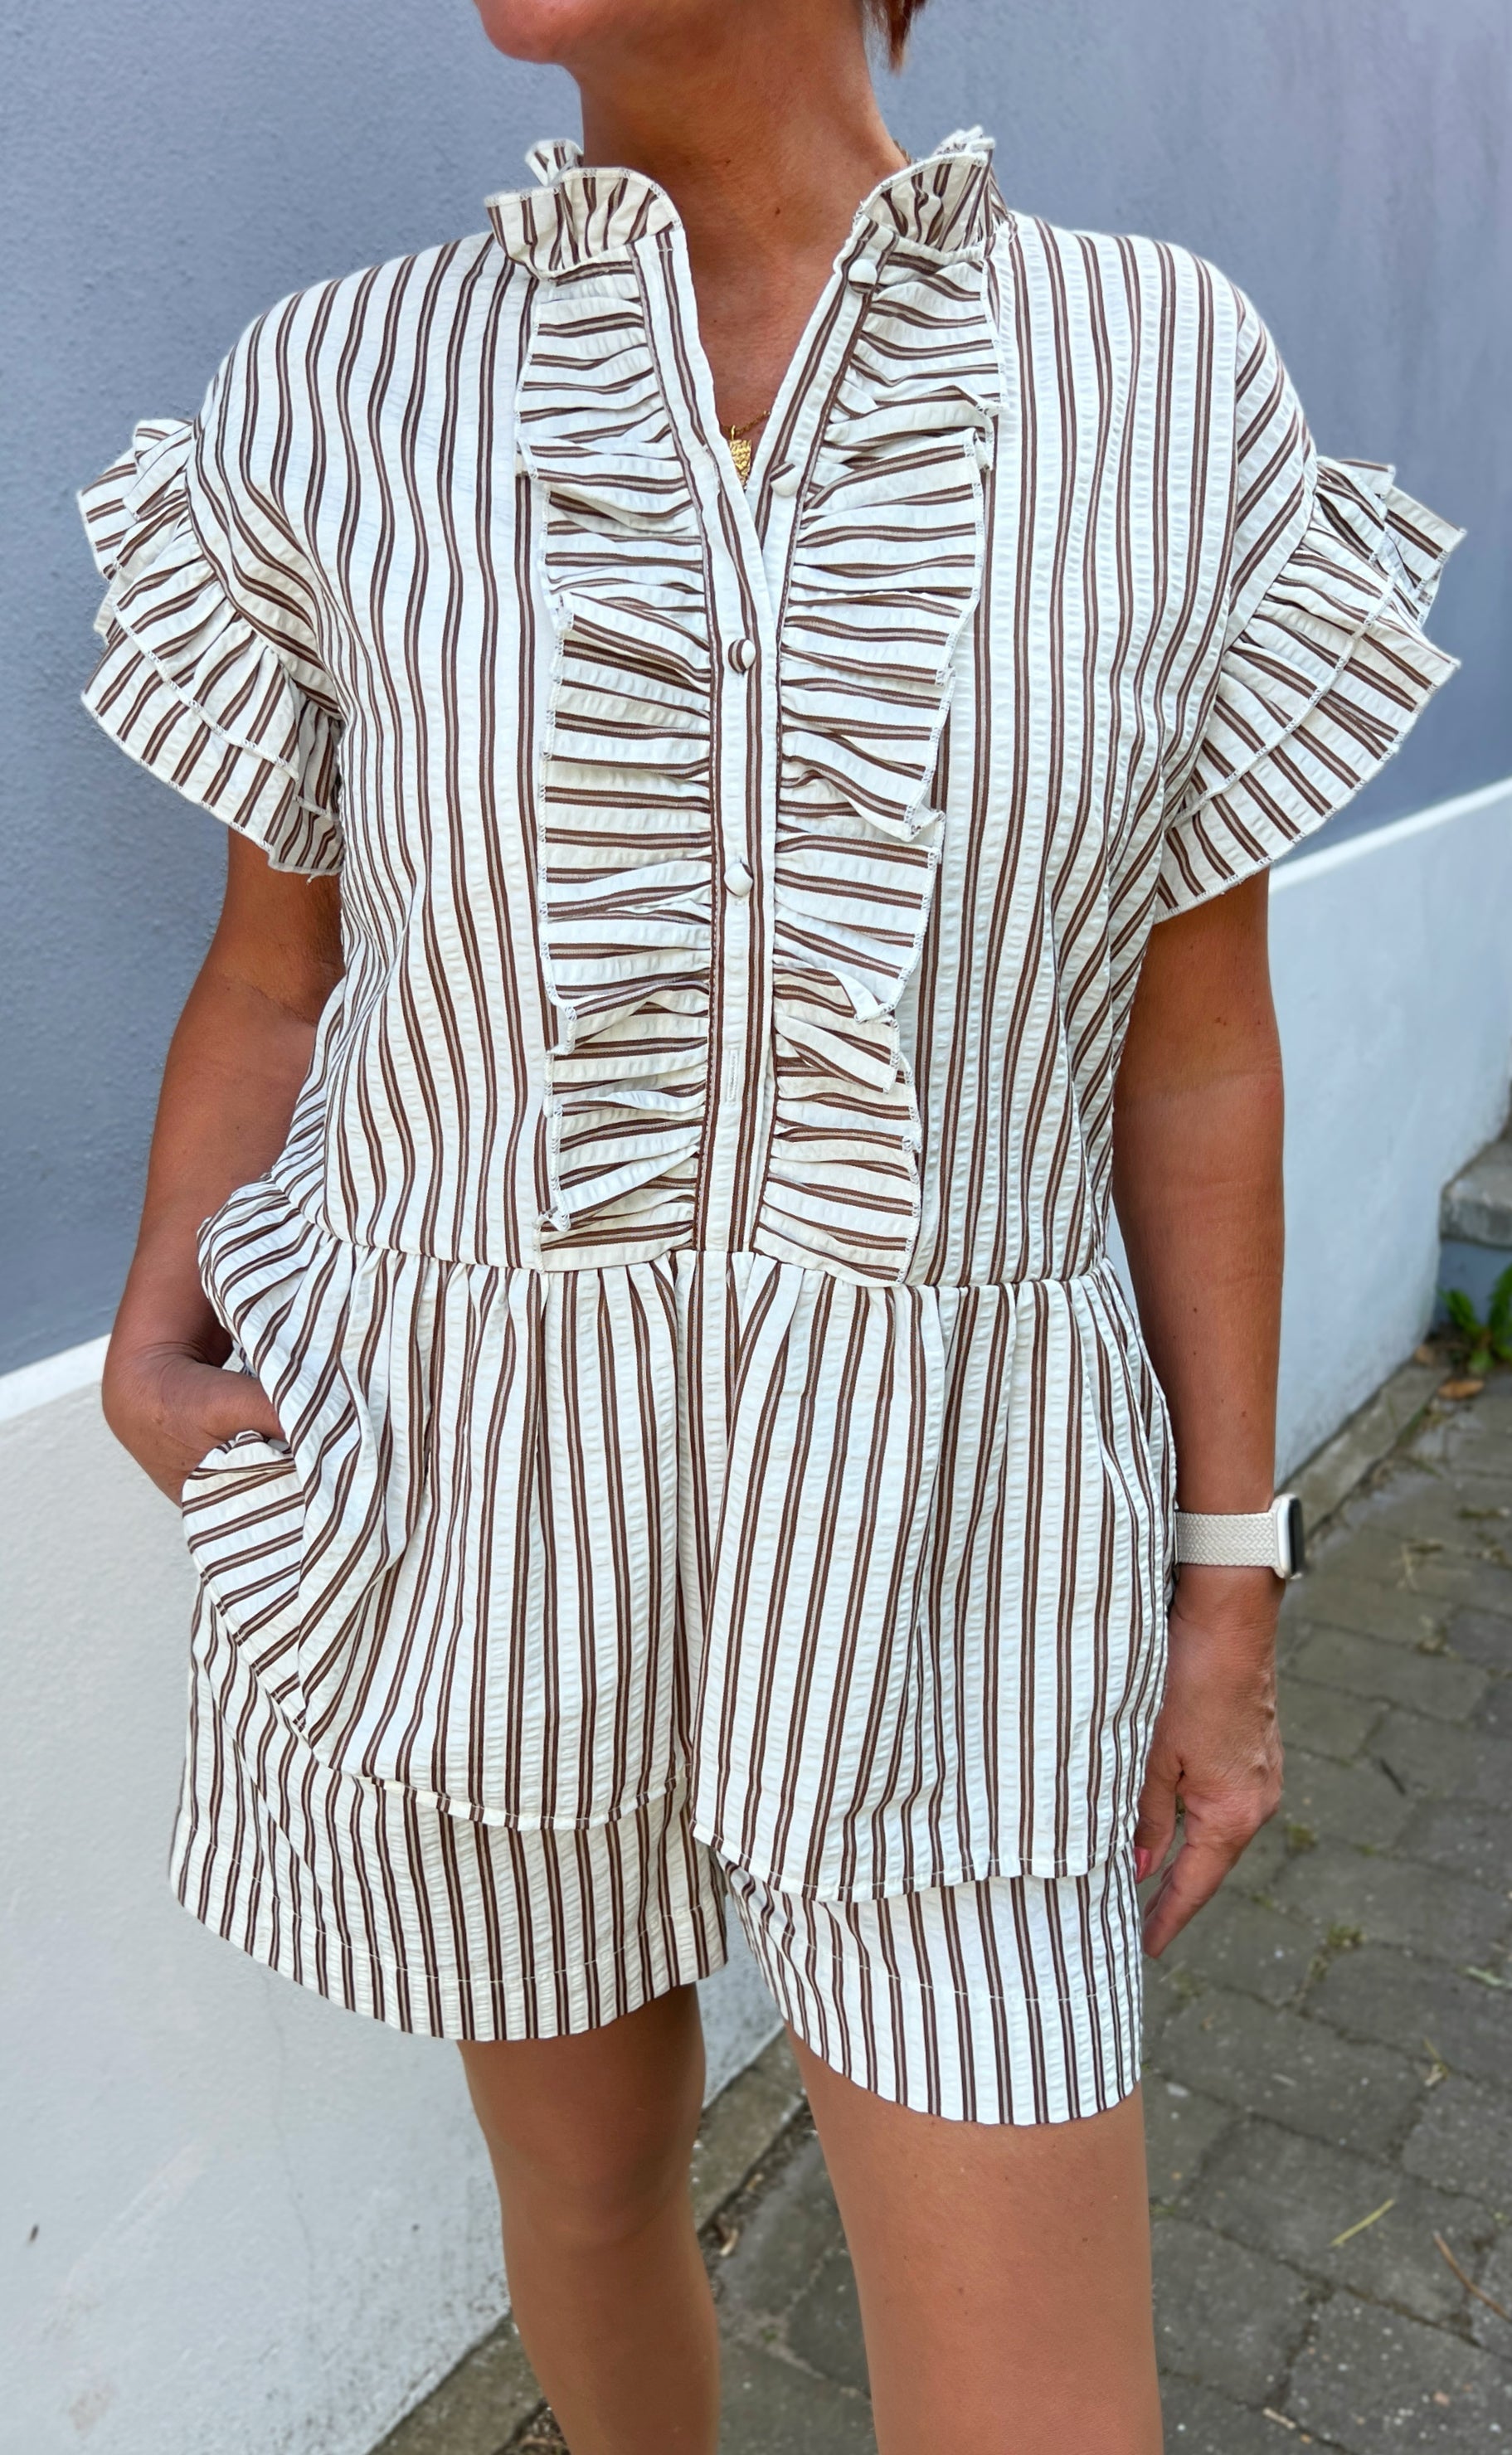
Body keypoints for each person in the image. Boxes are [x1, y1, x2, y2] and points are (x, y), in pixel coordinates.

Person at [80, 0, 1459, 2445]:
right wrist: (157, 1326)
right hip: (470, 1503)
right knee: (593, 2194)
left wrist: (1229, 1582)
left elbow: (1194, 1045)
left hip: (964, 1537)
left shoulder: (1160, 376)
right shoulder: (334, 395)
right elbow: (280, 973)